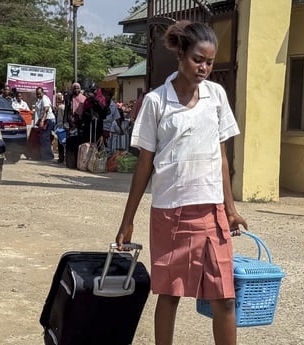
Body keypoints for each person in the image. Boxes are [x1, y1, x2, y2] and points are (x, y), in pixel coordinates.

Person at [113, 21, 248, 345]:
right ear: (181, 55)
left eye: (210, 62)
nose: (204, 67)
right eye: (198, 59)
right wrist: (127, 220)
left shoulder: (216, 96)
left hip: (212, 211)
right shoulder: (157, 102)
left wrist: (230, 209)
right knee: (169, 294)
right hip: (170, 213)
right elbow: (145, 165)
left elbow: (223, 157)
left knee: (225, 298)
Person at [34, 87, 56, 161]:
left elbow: (46, 110)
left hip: (48, 120)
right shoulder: (39, 100)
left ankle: (48, 157)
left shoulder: (44, 98)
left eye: (40, 93)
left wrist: (42, 121)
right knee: (43, 137)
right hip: (45, 119)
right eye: (37, 94)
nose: (38, 95)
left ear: (42, 92)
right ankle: (45, 156)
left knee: (44, 138)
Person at [54, 92, 66, 163]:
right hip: (59, 127)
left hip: (62, 127)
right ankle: (61, 157)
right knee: (60, 143)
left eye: (59, 98)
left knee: (62, 143)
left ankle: (62, 158)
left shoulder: (62, 107)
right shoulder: (60, 107)